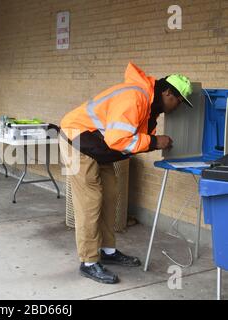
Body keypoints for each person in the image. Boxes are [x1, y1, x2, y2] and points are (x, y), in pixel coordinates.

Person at [59, 62, 194, 284]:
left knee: (111, 195)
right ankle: (89, 262)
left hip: (98, 147)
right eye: (178, 101)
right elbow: (118, 139)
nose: (177, 106)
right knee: (90, 201)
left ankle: (108, 251)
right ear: (167, 92)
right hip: (77, 140)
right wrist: (154, 141)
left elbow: (127, 139)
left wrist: (151, 142)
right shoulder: (135, 98)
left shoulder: (151, 107)